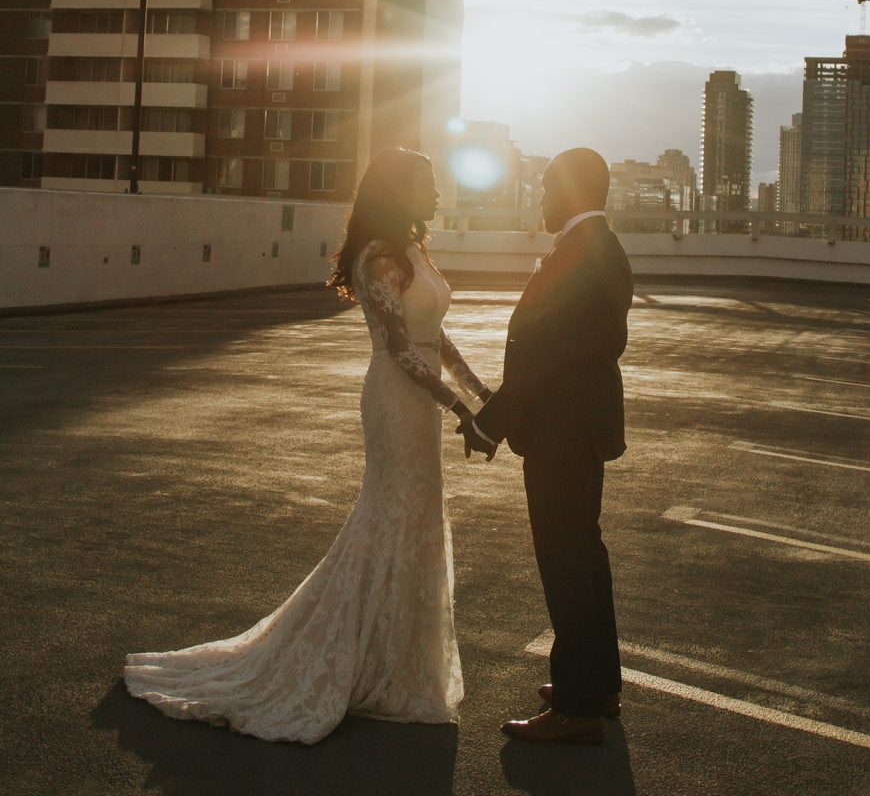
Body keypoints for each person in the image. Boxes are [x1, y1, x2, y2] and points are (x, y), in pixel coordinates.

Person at [123, 146, 493, 744]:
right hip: (398, 403)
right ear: (399, 191)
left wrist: (480, 390)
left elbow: (435, 335)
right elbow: (400, 348)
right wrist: (458, 407)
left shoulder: (414, 252)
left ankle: (396, 663)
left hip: (422, 401)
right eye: (426, 182)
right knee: (390, 514)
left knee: (417, 518)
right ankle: (356, 657)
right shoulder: (377, 259)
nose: (437, 192)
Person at [468, 147, 634, 745]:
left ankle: (578, 704)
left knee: (565, 562)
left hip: (562, 433)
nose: (539, 197)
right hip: (582, 428)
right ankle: (596, 681)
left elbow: (545, 357)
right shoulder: (602, 247)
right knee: (585, 556)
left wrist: (489, 422)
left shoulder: (578, 255)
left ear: (571, 190)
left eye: (544, 187)